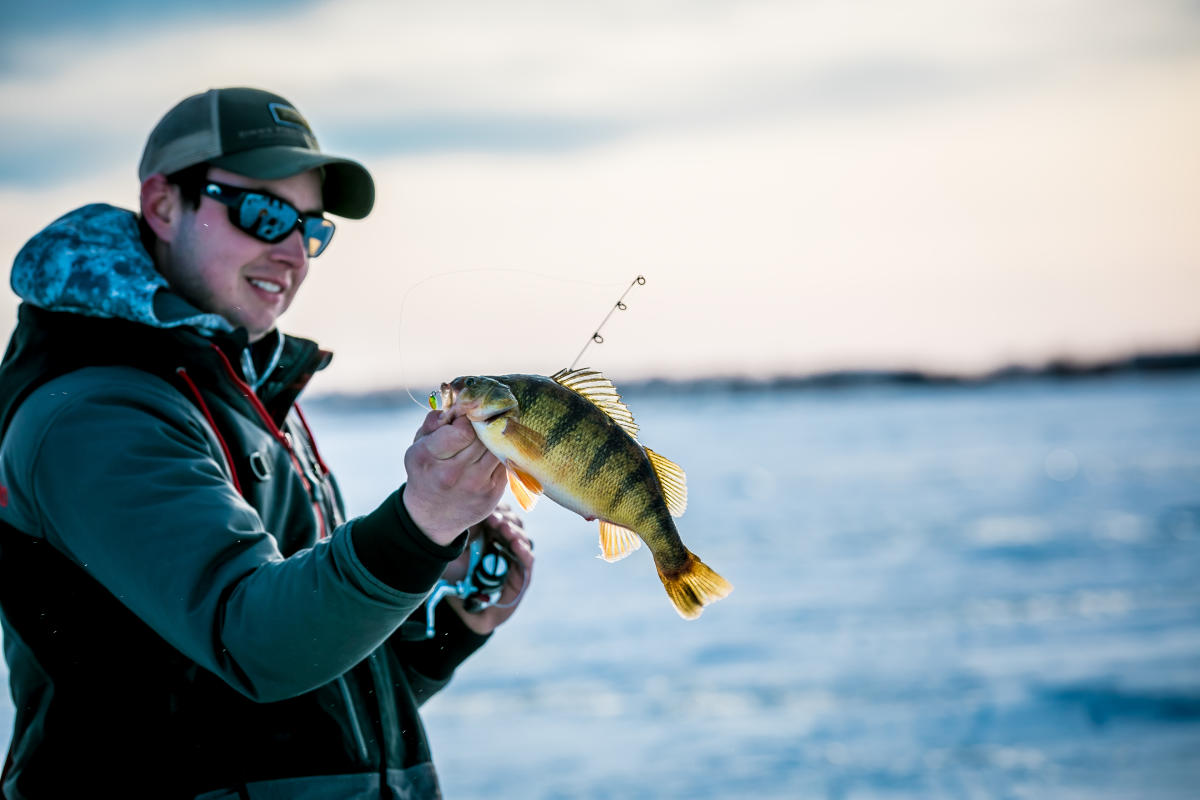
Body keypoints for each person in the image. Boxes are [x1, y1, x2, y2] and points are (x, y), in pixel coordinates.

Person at [0, 87, 534, 799]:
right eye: (263, 213)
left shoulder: (235, 387)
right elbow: (256, 647)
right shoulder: (97, 411)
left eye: (312, 229)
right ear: (163, 205)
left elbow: (300, 696)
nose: (292, 252)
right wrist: (423, 523)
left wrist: (452, 629)